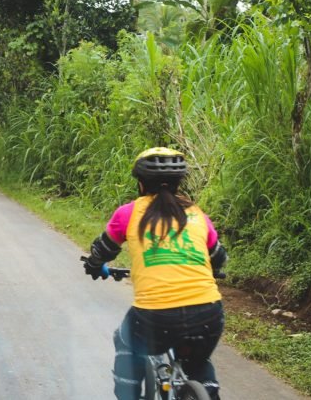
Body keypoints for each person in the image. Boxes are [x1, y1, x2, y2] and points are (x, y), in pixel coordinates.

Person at [81, 147, 227, 400]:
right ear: (180, 183)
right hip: (209, 312)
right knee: (198, 360)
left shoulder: (128, 213)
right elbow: (219, 258)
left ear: (140, 183)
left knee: (125, 341)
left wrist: (94, 265)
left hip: (155, 317)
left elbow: (103, 250)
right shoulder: (197, 214)